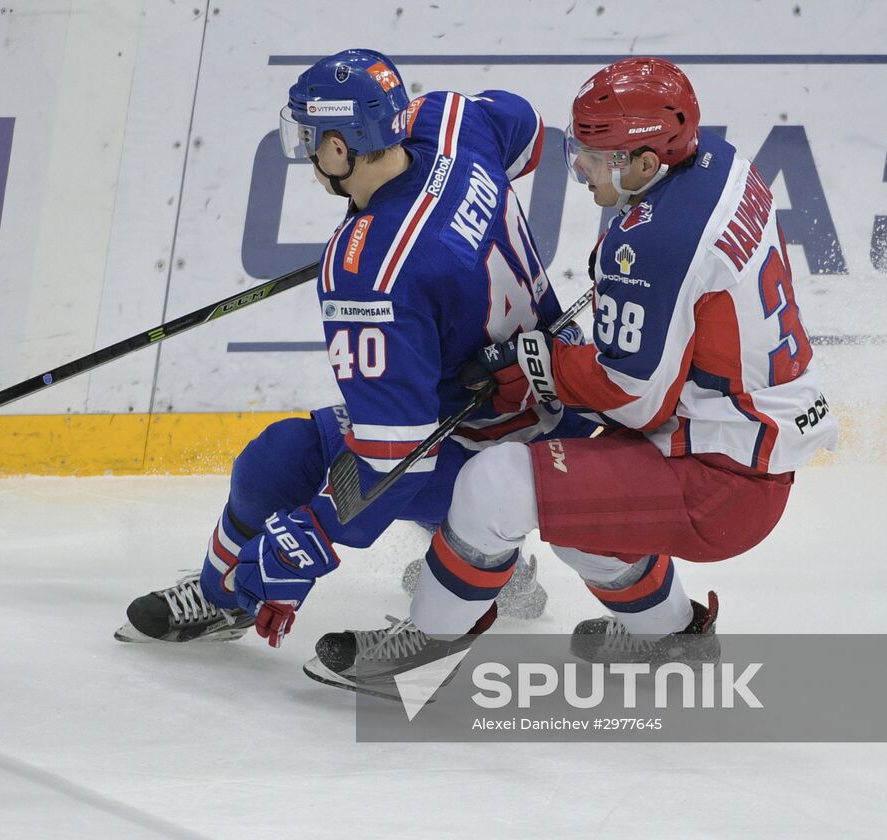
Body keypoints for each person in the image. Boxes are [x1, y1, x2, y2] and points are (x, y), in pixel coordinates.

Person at [306, 56, 838, 693]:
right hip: (745, 436)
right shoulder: (716, 163)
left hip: (718, 477)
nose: (579, 166)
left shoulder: (653, 242)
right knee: (576, 515)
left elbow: (634, 399)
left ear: (646, 161)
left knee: (493, 485)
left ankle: (431, 647)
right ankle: (672, 638)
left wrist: (542, 361)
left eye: (597, 153)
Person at [114, 48, 593, 649]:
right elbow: (522, 129)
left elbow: (397, 452)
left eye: (311, 138)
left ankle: (225, 594)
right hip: (560, 392)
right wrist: (426, 217)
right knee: (370, 429)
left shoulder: (371, 272)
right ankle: (492, 559)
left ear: (340, 148)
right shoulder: (447, 121)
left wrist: (309, 534)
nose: (307, 152)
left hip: (495, 448)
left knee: (280, 460)